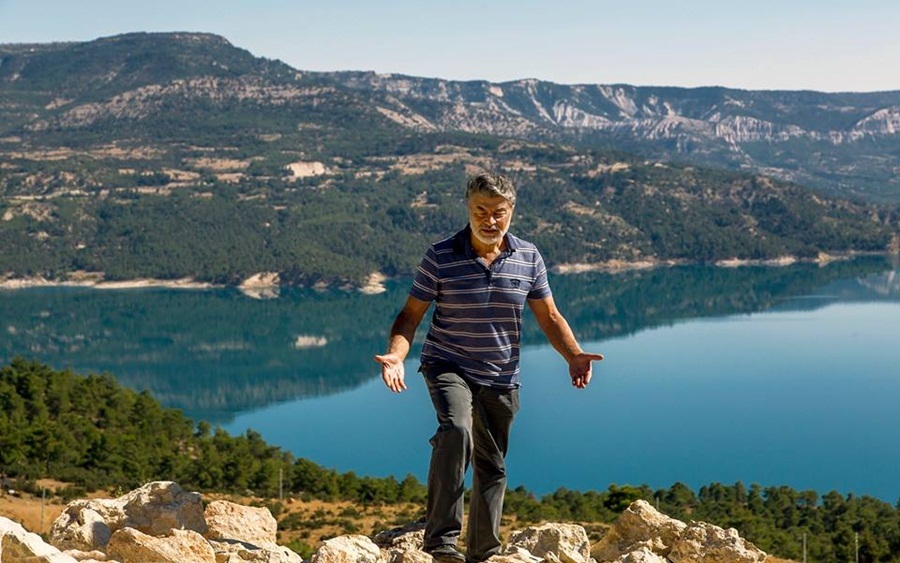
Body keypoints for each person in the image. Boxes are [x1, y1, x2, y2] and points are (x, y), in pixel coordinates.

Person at [374, 172, 603, 563]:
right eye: (481, 210)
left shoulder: (528, 257)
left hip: (501, 373)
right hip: (448, 364)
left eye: (498, 212)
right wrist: (397, 354)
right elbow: (410, 316)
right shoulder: (441, 255)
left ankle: (483, 552)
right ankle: (442, 542)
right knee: (457, 430)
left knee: (492, 464)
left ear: (511, 212)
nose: (490, 220)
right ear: (468, 208)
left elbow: (549, 316)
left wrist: (574, 355)